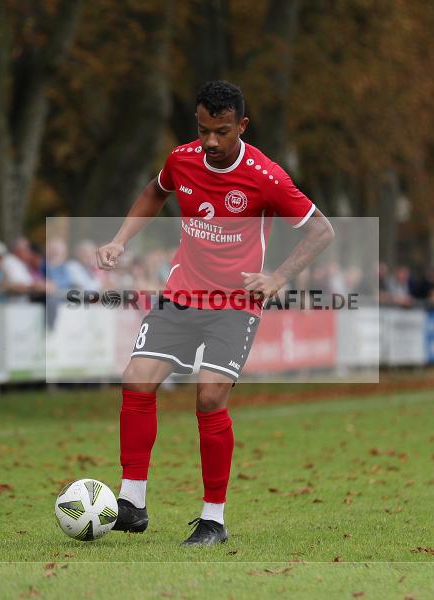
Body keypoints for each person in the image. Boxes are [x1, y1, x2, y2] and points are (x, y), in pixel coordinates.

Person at [96, 81, 334, 546]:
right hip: (182, 292)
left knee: (208, 398)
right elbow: (153, 192)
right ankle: (132, 503)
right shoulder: (181, 159)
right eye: (203, 130)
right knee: (136, 379)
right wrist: (119, 240)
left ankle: (213, 520)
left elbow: (321, 231)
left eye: (221, 132)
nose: (210, 142)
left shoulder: (266, 177)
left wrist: (278, 276)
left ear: (241, 126)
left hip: (234, 304)